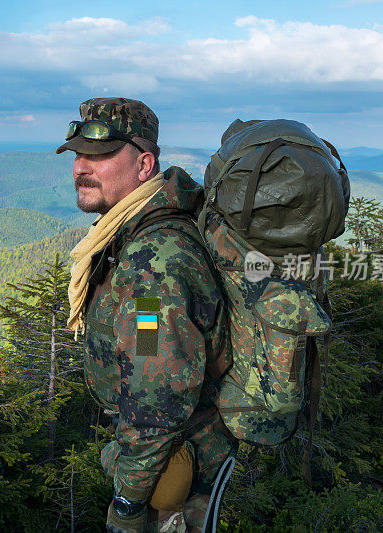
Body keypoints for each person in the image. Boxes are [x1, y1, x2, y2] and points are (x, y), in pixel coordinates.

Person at [58, 97, 237, 533]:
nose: (82, 166)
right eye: (79, 153)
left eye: (100, 155)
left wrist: (127, 504)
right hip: (164, 454)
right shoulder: (137, 232)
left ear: (144, 165)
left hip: (172, 470)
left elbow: (156, 398)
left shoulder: (153, 267)